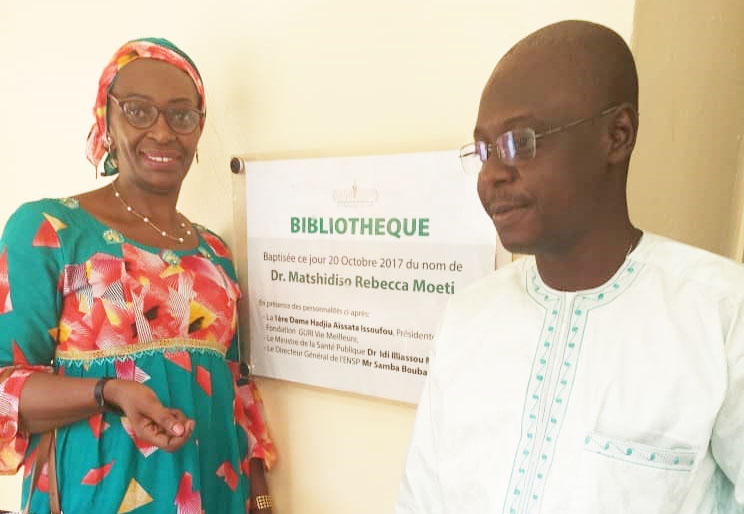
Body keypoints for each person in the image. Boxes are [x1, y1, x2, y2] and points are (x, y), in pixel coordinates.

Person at [397, 20, 743, 514]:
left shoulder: (722, 316)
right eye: (484, 150)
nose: (492, 174)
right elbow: (421, 499)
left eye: (521, 141)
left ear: (617, 136)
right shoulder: (467, 319)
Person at [0, 38, 276, 513]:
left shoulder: (214, 251)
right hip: (98, 494)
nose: (164, 133)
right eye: (138, 111)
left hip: (215, 496)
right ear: (106, 119)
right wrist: (109, 392)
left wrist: (262, 499)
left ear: (199, 128)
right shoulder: (51, 230)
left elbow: (237, 387)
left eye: (181, 115)